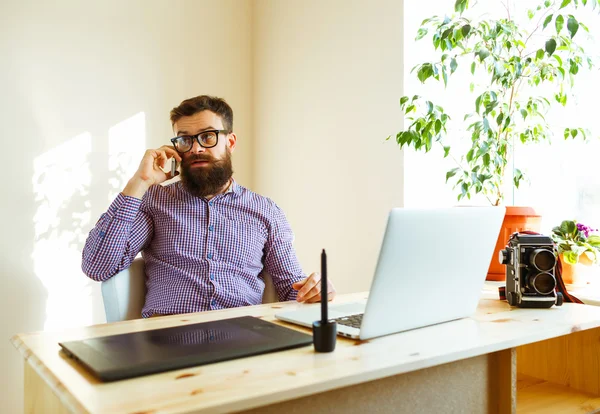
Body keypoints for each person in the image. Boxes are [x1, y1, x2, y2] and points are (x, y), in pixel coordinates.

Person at [82, 95, 335, 317]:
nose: (196, 148)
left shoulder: (266, 212)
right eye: (185, 140)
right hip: (168, 339)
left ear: (231, 142)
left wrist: (314, 291)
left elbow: (292, 288)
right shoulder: (156, 201)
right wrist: (139, 182)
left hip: (243, 339)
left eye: (207, 136)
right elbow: (98, 266)